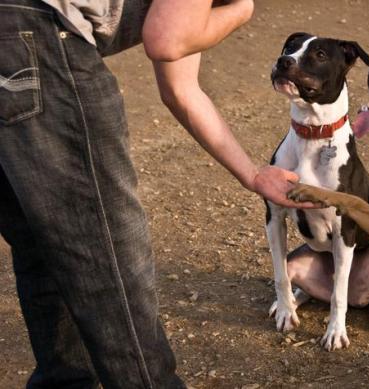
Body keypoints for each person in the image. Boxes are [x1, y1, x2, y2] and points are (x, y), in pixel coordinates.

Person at [0, 0, 311, 387]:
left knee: (44, 245)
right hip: (36, 35)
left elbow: (181, 88)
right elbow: (166, 40)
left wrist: (251, 174)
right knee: (106, 254)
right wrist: (241, 10)